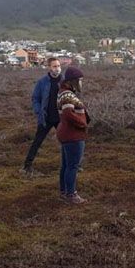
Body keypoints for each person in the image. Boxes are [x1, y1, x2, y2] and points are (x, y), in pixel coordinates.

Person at [22, 57, 63, 176]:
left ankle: (74, 165)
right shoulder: (42, 82)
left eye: (59, 66)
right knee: (37, 142)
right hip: (45, 118)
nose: (57, 68)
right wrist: (38, 111)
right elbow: (35, 98)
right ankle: (27, 166)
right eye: (54, 66)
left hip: (61, 118)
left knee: (67, 142)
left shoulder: (65, 81)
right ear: (49, 67)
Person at [56, 66, 89, 204]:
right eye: (80, 80)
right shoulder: (68, 95)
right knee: (72, 166)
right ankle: (71, 195)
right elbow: (69, 114)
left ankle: (64, 192)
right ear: (73, 81)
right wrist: (83, 123)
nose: (81, 83)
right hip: (73, 135)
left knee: (66, 165)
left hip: (66, 133)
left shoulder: (64, 93)